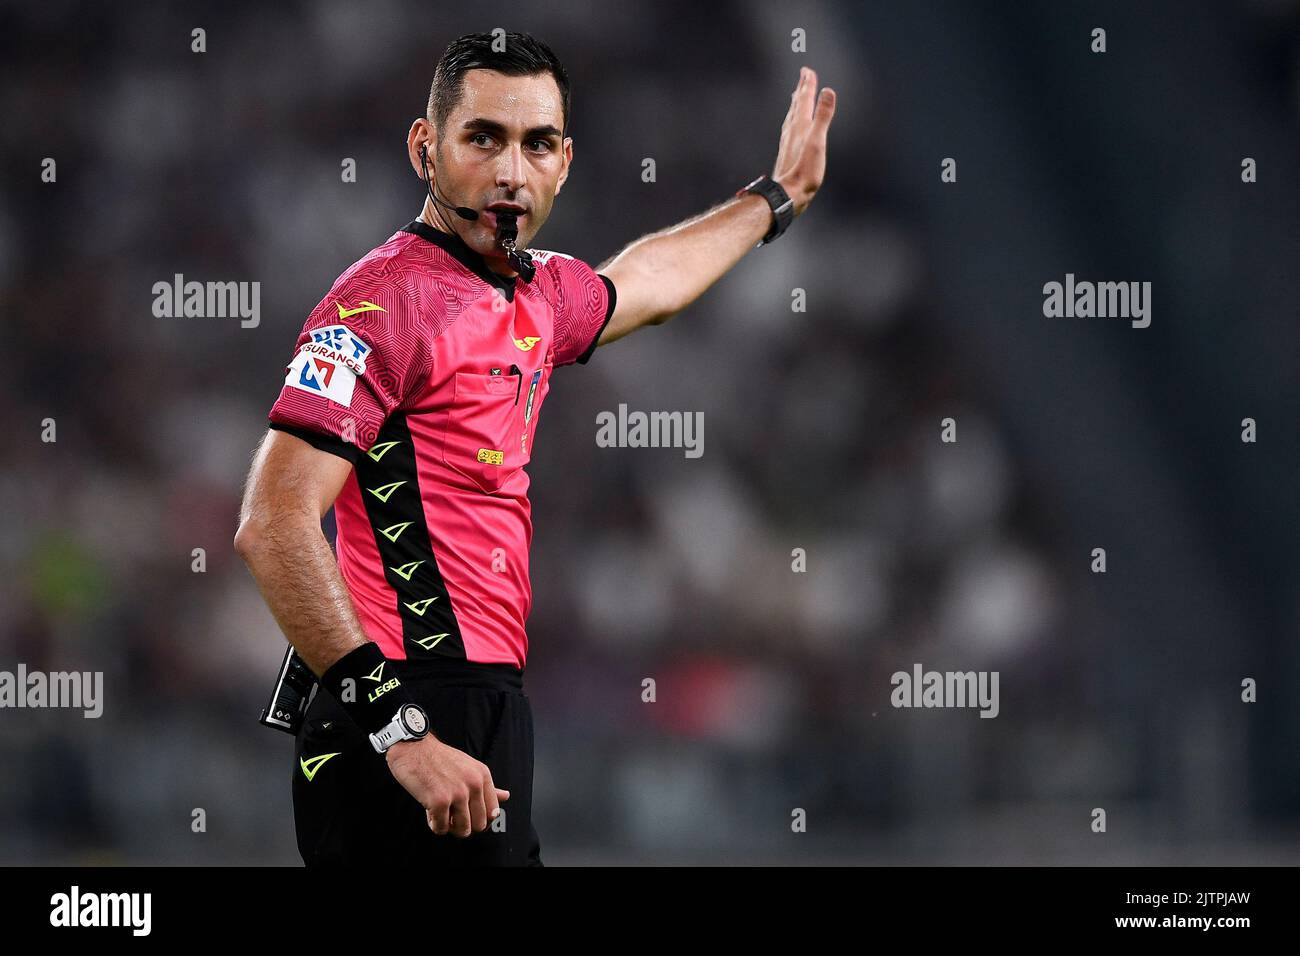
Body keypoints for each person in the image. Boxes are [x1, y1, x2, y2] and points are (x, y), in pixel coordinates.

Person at [234, 30, 836, 866]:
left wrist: (776, 199)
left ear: (565, 162)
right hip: (402, 710)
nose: (511, 171)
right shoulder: (381, 305)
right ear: (425, 148)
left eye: (536, 144)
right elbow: (274, 523)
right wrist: (398, 729)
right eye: (483, 138)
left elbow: (649, 281)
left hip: (483, 709)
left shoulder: (535, 294)